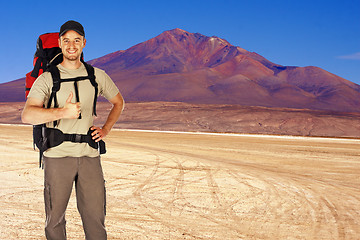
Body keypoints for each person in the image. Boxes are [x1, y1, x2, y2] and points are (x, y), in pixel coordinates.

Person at [21, 20, 124, 240]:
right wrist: (61, 112)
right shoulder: (47, 78)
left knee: (96, 219)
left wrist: (105, 129)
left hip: (89, 156)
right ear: (59, 43)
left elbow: (118, 102)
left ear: (84, 43)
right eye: (66, 40)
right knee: (55, 220)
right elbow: (27, 115)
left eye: (76, 40)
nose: (71, 45)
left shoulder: (97, 75)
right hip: (57, 156)